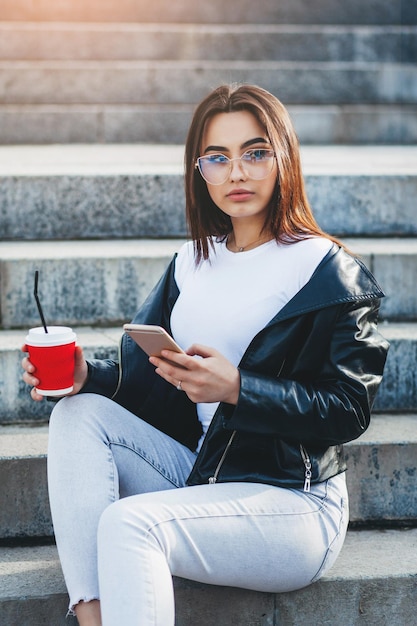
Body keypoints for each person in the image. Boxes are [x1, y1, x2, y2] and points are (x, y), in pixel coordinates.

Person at [22, 83, 389, 626]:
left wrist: (237, 388)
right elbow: (151, 380)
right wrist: (88, 376)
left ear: (283, 157)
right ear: (200, 170)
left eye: (255, 153)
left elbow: (348, 409)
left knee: (129, 522)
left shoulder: (327, 270)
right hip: (204, 476)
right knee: (76, 413)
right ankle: (94, 616)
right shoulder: (192, 261)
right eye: (218, 158)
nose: (236, 173)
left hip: (292, 502)